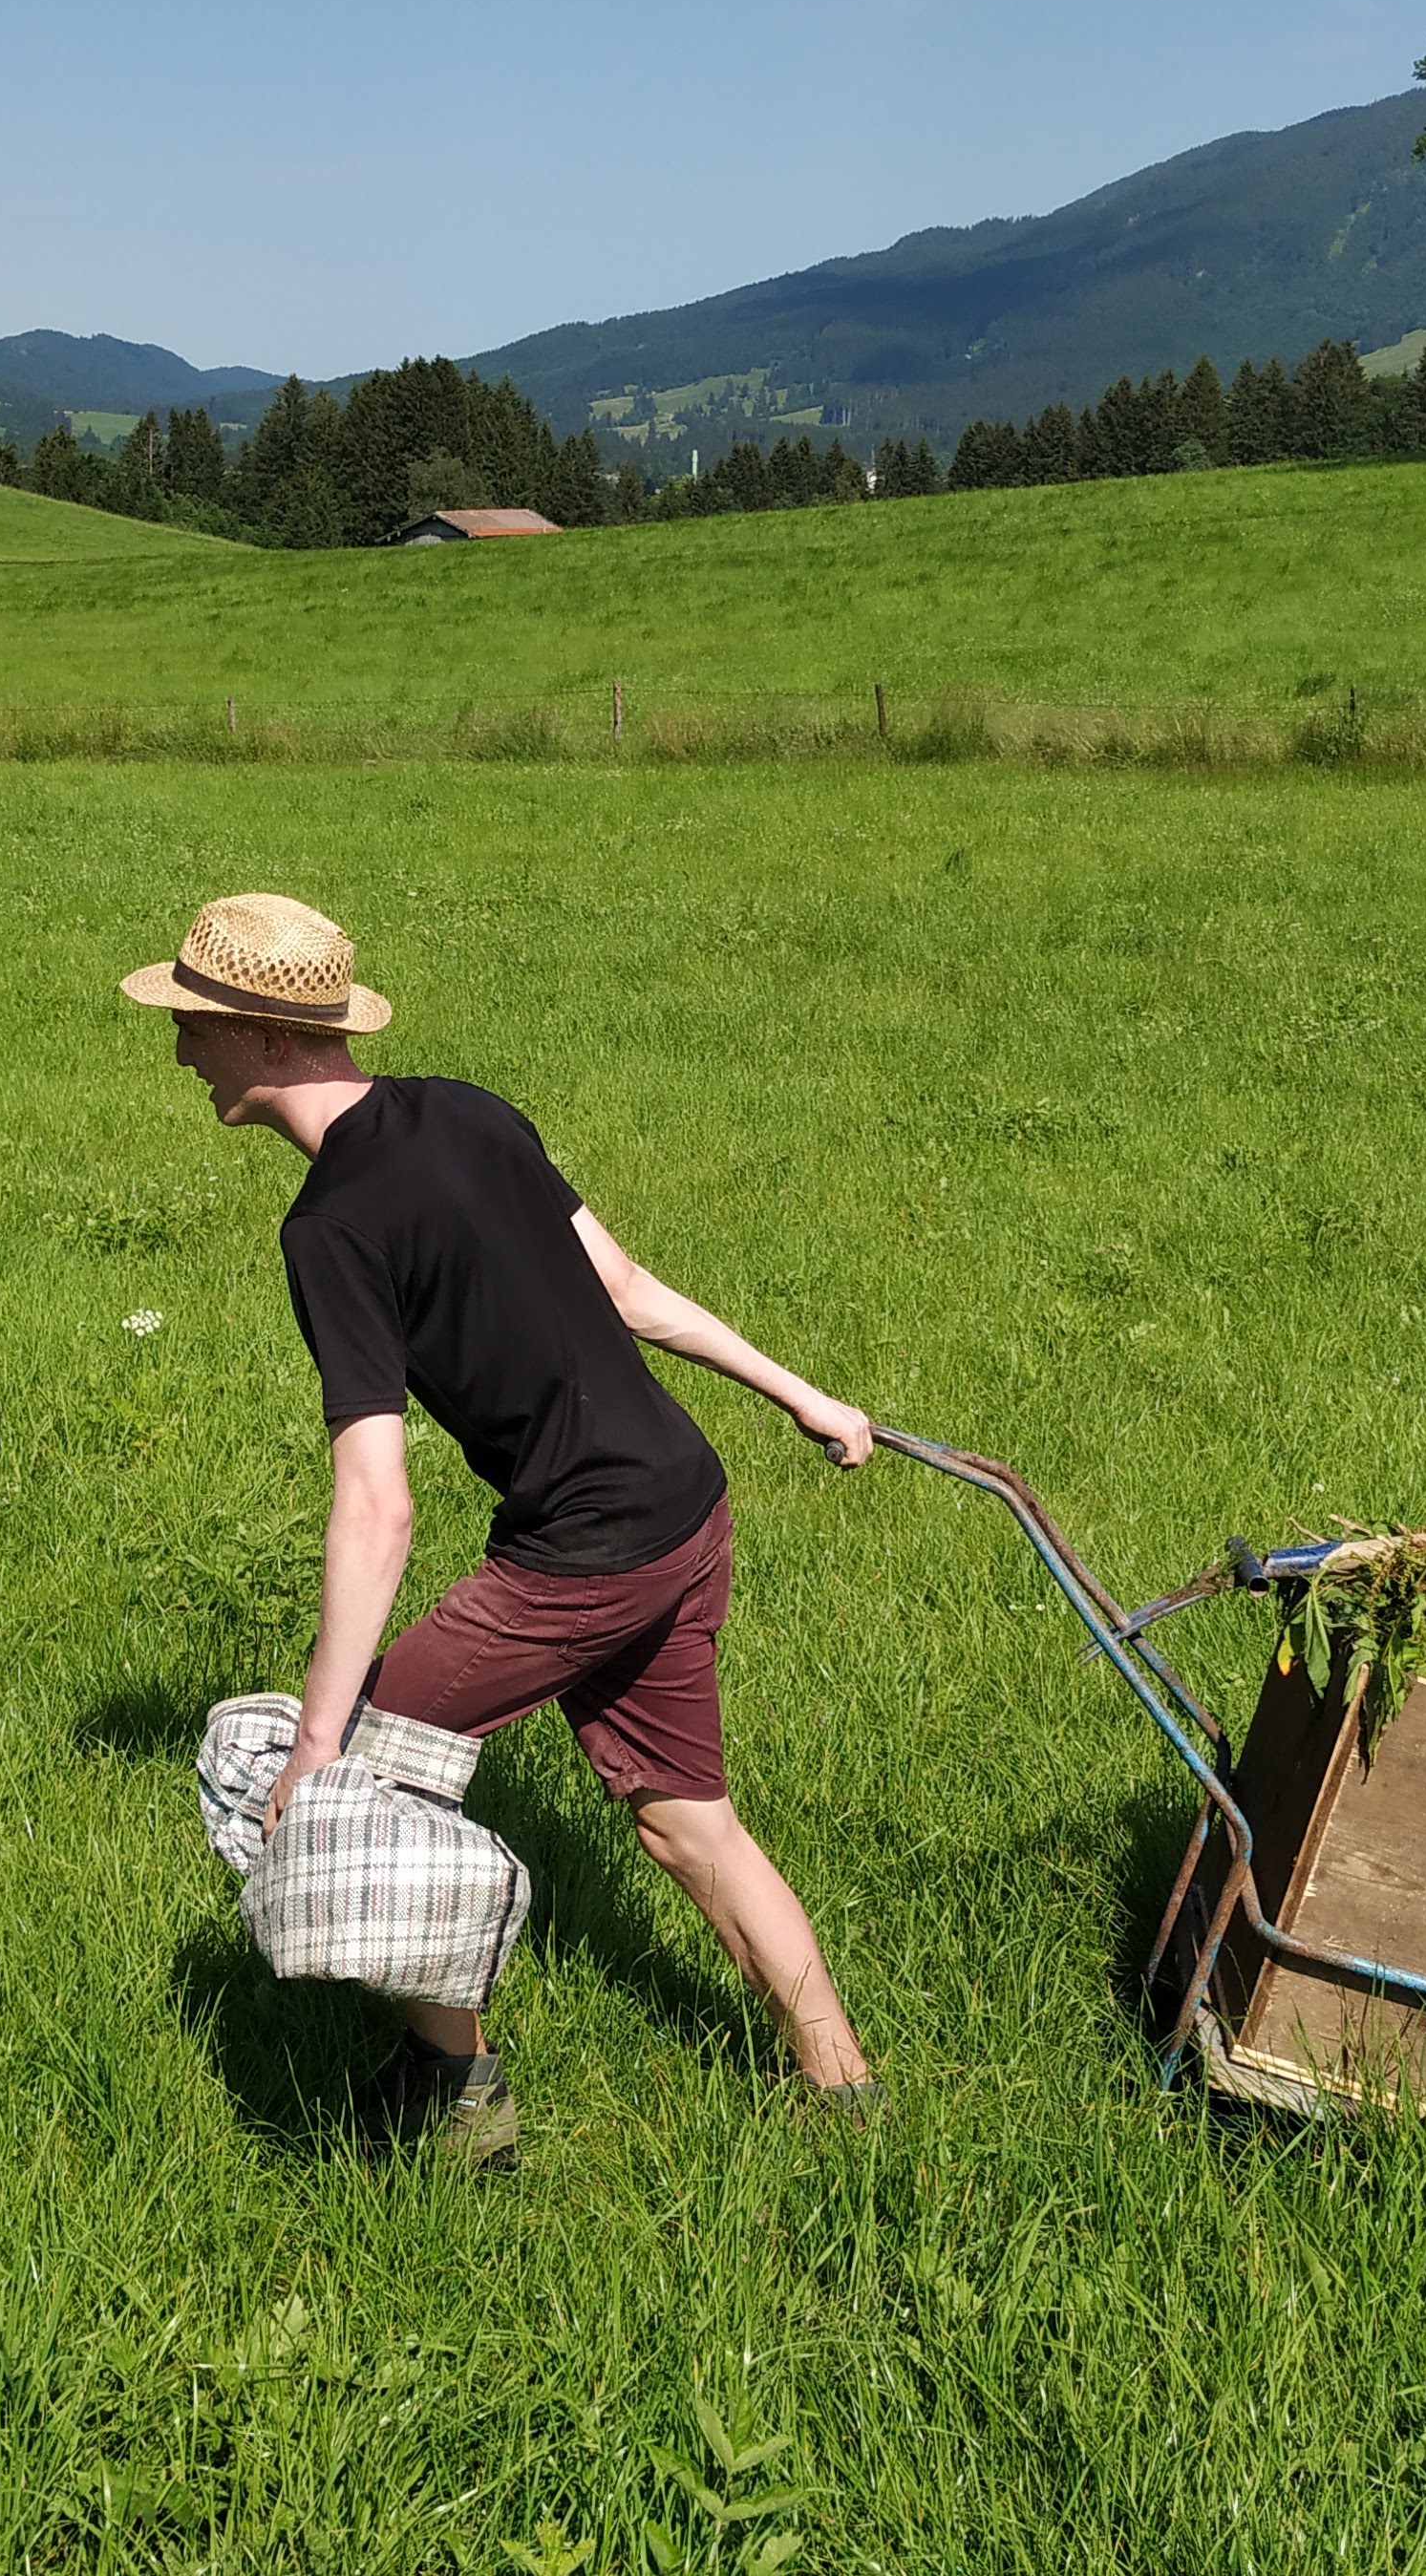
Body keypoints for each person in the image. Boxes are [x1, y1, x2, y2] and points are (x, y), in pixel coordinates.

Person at [125, 891, 881, 2169]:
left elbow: (378, 1500)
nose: (176, 1048)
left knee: (357, 1793)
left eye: (194, 1022)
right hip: (686, 1508)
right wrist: (807, 1396)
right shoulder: (465, 1109)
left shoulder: (331, 1230)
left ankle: (457, 2110)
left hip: (587, 1557)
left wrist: (318, 1748)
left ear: (262, 1039)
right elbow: (631, 1290)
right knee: (686, 1822)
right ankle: (846, 2093)